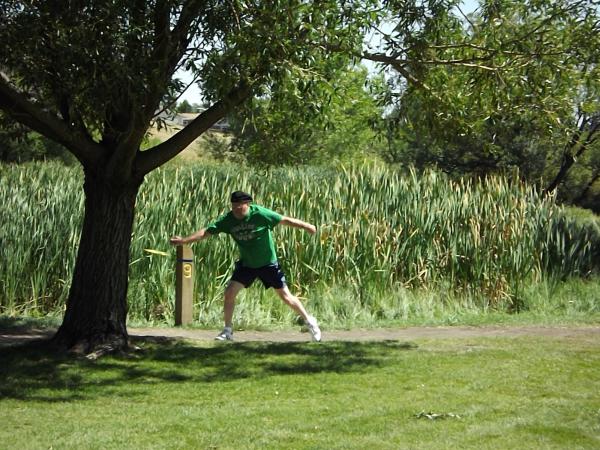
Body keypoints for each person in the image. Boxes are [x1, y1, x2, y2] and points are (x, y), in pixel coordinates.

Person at [170, 190, 322, 342]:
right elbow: (207, 232)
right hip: (247, 264)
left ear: (248, 204)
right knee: (229, 293)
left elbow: (284, 220)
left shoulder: (260, 214)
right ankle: (227, 331)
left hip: (267, 263)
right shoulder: (228, 220)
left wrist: (307, 226)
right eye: (234, 205)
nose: (236, 209)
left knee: (286, 297)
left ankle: (310, 322)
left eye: (240, 206)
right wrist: (184, 240)